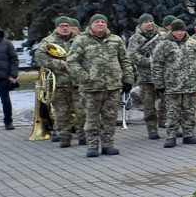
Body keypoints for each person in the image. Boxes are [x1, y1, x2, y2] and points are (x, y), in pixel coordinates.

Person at [67, 14, 134, 157]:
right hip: (91, 88)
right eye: (96, 22)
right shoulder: (81, 41)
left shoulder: (116, 40)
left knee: (110, 117)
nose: (100, 24)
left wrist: (128, 80)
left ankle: (108, 145)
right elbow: (72, 62)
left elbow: (125, 60)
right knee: (92, 117)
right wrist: (84, 77)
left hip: (112, 86)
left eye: (103, 22)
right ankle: (92, 145)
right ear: (91, 25)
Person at [151, 19, 196, 147]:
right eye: (176, 30)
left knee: (189, 111)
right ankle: (171, 136)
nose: (179, 33)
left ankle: (188, 134)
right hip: (172, 86)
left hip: (190, 85)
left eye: (182, 30)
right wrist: (159, 84)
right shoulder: (163, 45)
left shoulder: (193, 43)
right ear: (172, 31)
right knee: (172, 112)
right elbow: (156, 65)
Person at [35, 16, 80, 146]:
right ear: (56, 28)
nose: (65, 28)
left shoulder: (79, 40)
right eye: (61, 26)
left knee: (82, 111)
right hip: (58, 84)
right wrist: (59, 64)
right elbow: (39, 57)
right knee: (61, 112)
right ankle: (64, 137)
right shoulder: (48, 41)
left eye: (67, 25)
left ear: (71, 27)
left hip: (77, 83)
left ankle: (83, 136)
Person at [127, 13, 162, 140]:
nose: (150, 24)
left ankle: (170, 126)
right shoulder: (135, 39)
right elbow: (132, 56)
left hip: (162, 77)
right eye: (146, 22)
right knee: (148, 105)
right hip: (145, 78)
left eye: (151, 21)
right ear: (141, 24)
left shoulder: (161, 36)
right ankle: (152, 129)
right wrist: (150, 62)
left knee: (168, 103)